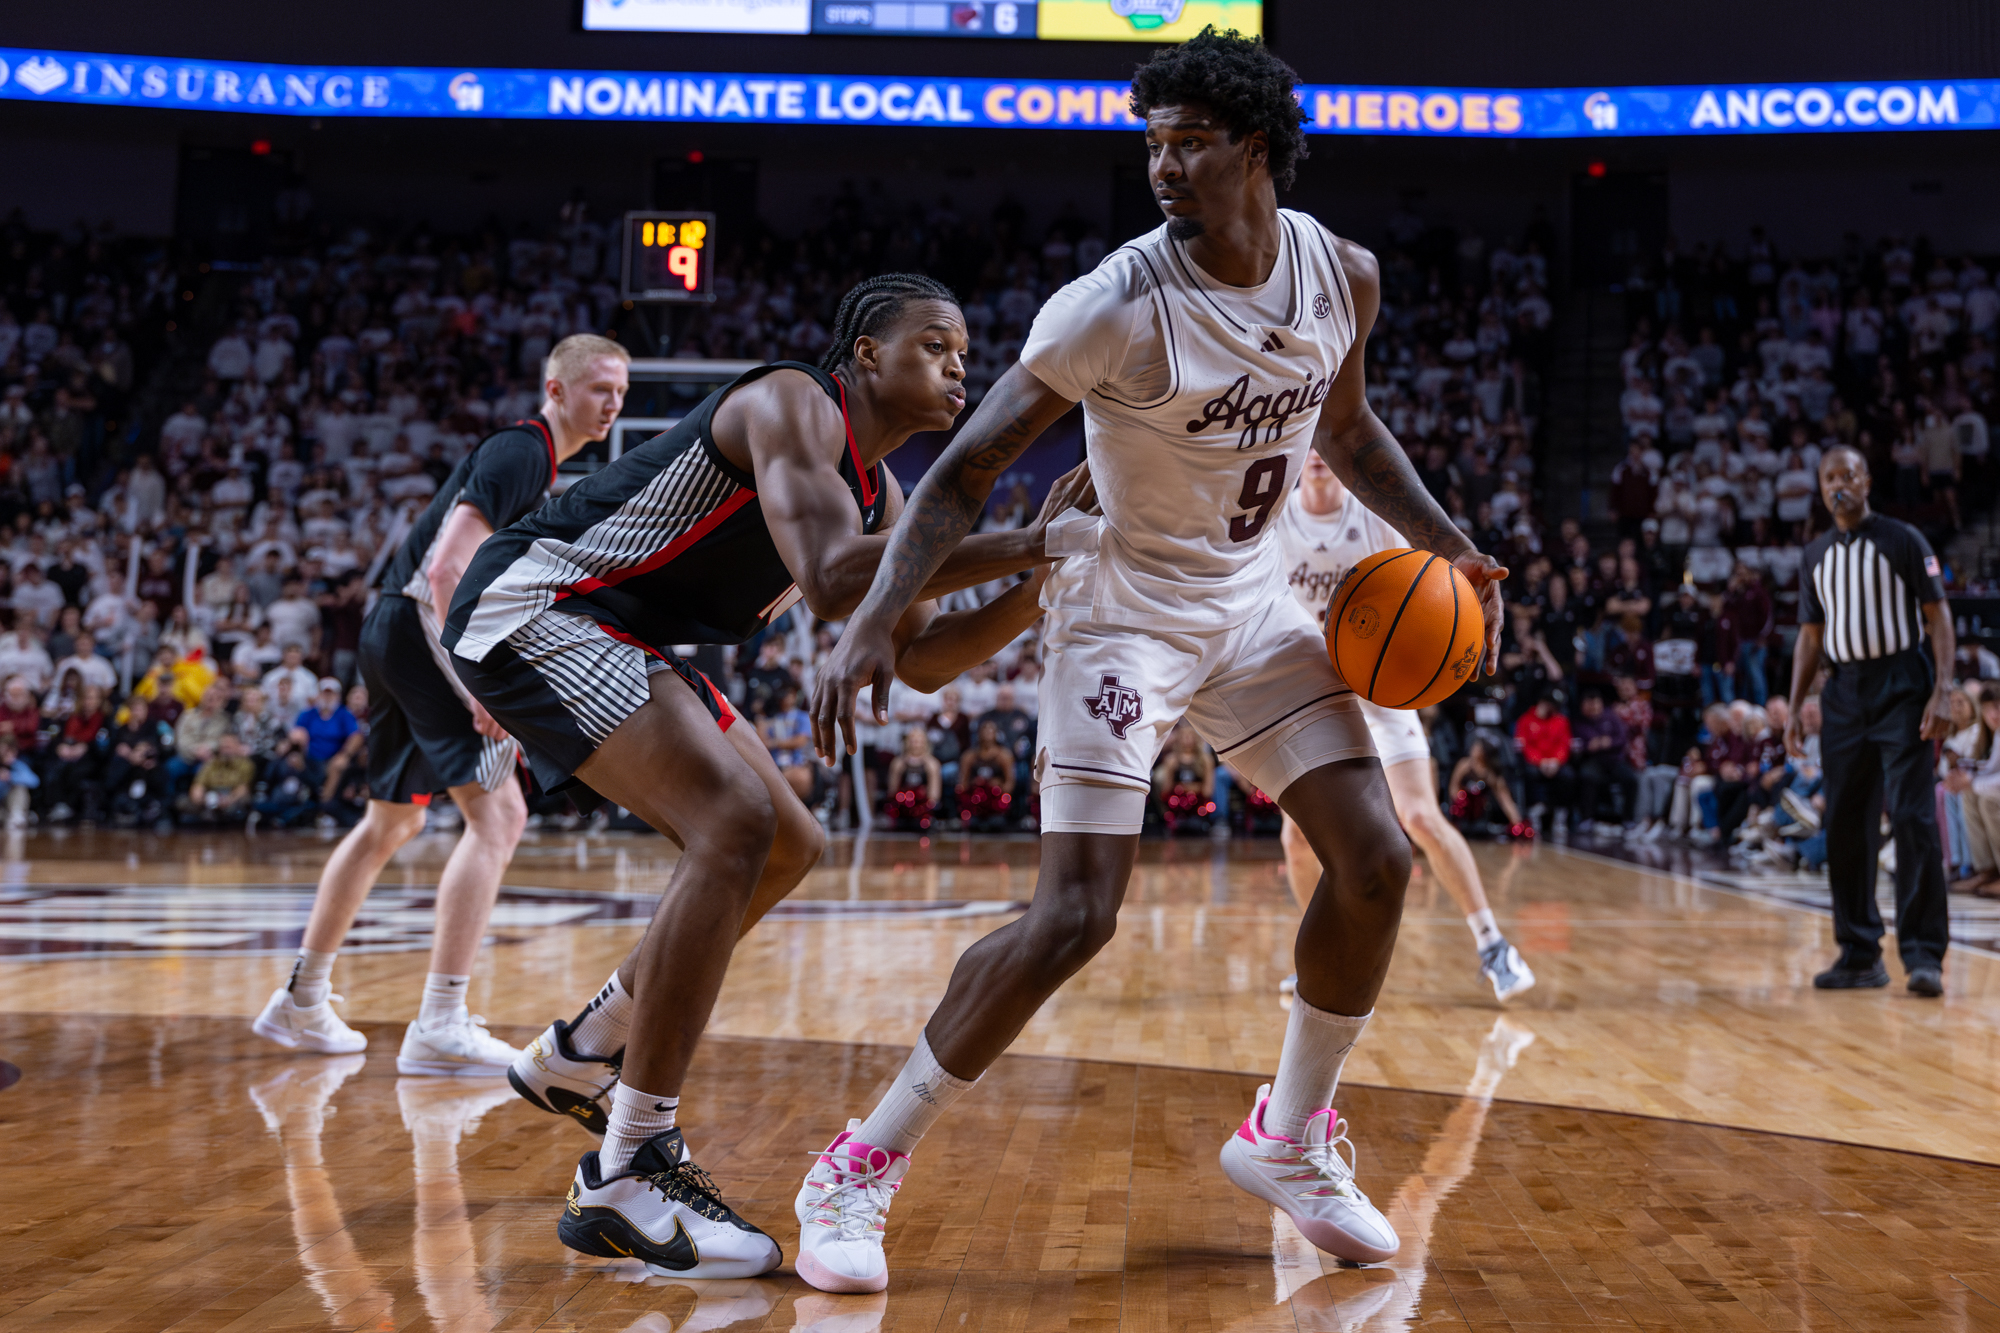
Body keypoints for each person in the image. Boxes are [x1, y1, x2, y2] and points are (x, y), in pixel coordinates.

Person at [803, 33, 1506, 1290]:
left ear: (1251, 149)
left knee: (1376, 857)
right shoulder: (1112, 304)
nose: (1160, 164)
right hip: (1119, 610)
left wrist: (1452, 549)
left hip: (1252, 605)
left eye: (1186, 141)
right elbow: (965, 466)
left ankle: (1287, 1134)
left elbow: (1346, 424)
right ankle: (858, 1162)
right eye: (1150, 140)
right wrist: (871, 621)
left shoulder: (1342, 273)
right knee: (1075, 917)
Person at [445, 276, 1084, 1278]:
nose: (959, 364)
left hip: (619, 629)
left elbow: (915, 658)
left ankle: (585, 1042)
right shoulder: (792, 401)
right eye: (934, 344)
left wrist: (1038, 582)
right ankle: (631, 1163)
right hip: (537, 601)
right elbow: (836, 581)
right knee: (734, 823)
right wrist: (1035, 538)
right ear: (866, 354)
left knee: (792, 840)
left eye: (965, 350)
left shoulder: (886, 494)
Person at [254, 334, 631, 1074]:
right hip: (422, 627)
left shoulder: (535, 460)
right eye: (599, 388)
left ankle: (301, 998)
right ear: (555, 390)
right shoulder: (523, 451)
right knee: (501, 815)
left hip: (390, 630)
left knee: (390, 820)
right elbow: (447, 567)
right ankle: (441, 1021)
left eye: (620, 391)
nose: (613, 403)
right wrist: (477, 681)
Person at [1272, 447, 1534, 1001]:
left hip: (1380, 682)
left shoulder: (1371, 516)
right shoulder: (1275, 516)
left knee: (1419, 815)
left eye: (1327, 443)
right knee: (1295, 838)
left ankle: (1493, 945)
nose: (1317, 454)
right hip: (1315, 683)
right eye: (1309, 443)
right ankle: (1314, 957)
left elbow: (1422, 595)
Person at [1785, 445, 1955, 998]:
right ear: (1821, 485)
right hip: (1844, 693)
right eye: (1830, 476)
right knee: (1847, 824)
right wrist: (1793, 707)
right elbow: (1810, 636)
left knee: (1912, 817)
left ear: (1866, 480)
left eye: (1849, 474)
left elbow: (1939, 617)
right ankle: (1859, 953)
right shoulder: (1815, 554)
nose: (1840, 483)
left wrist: (1943, 689)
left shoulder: (1903, 539)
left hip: (1903, 685)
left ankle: (1924, 953)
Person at [1513, 690, 1576, 836]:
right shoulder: (1526, 720)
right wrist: (1540, 762)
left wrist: (1556, 761)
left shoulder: (1561, 721)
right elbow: (1524, 745)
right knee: (1530, 773)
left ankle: (1560, 815)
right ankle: (1534, 812)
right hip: (1535, 763)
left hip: (1555, 763)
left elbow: (1564, 744)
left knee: (1568, 775)